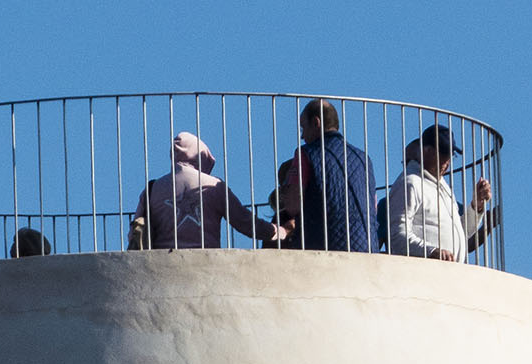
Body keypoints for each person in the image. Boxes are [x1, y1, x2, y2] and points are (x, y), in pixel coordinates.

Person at [127, 132, 285, 249]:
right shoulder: (214, 186)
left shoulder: (152, 188)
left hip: (161, 267)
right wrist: (279, 232)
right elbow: (245, 223)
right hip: (205, 264)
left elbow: (133, 233)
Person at [277, 99, 379, 252]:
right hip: (366, 248)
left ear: (316, 122)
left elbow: (293, 205)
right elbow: (373, 206)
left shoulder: (305, 154)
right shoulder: (363, 158)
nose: (302, 136)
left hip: (322, 247)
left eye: (303, 128)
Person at [385, 124, 491, 262]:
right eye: (441, 154)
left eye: (450, 155)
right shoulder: (410, 183)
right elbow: (396, 236)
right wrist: (431, 251)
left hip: (447, 274)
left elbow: (461, 232)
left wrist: (477, 206)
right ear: (425, 151)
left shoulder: (443, 187)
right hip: (424, 274)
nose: (446, 162)